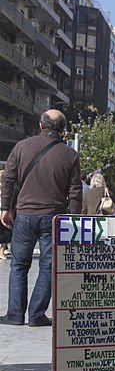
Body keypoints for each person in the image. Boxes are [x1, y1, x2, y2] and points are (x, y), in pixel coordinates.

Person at [0, 110, 81, 327]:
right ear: (63, 130)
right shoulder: (70, 154)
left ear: (40, 125)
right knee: (48, 267)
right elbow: (75, 191)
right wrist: (73, 220)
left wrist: (5, 208)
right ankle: (36, 315)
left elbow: (8, 180)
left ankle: (15, 315)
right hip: (53, 218)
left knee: (18, 265)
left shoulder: (21, 147)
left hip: (24, 215)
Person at [0, 167, 10, 259]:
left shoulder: (6, 189)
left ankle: (2, 250)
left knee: (5, 233)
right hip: (3, 211)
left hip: (3, 212)